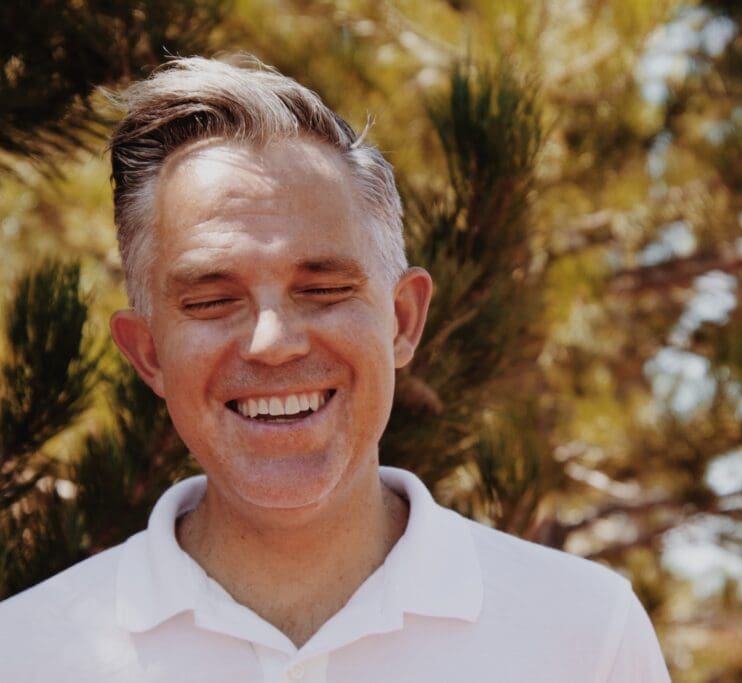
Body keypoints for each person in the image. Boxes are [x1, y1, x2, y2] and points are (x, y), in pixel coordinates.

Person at [0, 55, 670, 682]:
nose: (272, 340)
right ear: (148, 354)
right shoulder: (25, 653)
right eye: (211, 300)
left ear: (404, 319)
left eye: (323, 289)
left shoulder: (585, 635)